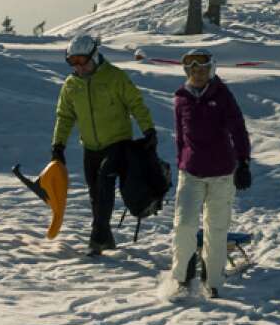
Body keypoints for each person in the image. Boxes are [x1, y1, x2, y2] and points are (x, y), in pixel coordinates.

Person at [51, 34, 156, 255]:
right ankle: (105, 237)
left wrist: (148, 130)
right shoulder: (71, 86)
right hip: (90, 147)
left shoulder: (115, 77)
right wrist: (58, 145)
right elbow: (65, 116)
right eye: (73, 63)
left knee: (104, 182)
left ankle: (97, 237)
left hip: (117, 142)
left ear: (95, 56)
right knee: (95, 194)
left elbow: (136, 103)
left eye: (83, 61)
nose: (79, 67)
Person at [167, 49, 253, 298]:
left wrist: (243, 162)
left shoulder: (222, 95)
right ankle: (181, 279)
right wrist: (181, 162)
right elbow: (180, 137)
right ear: (187, 71)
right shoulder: (181, 97)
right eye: (193, 69)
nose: (198, 73)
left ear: (211, 70)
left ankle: (212, 282)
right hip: (191, 173)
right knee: (184, 225)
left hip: (221, 173)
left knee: (215, 229)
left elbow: (238, 129)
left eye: (202, 68)